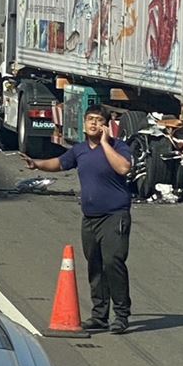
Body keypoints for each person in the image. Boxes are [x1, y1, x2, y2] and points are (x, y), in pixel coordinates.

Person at [22, 106, 134, 334]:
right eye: (90, 120)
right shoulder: (79, 150)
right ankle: (99, 315)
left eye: (99, 120)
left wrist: (104, 143)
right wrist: (37, 164)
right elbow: (60, 163)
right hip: (90, 218)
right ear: (84, 124)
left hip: (115, 216)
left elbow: (123, 168)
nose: (94, 124)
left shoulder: (118, 147)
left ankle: (121, 315)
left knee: (113, 262)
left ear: (105, 125)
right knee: (95, 265)